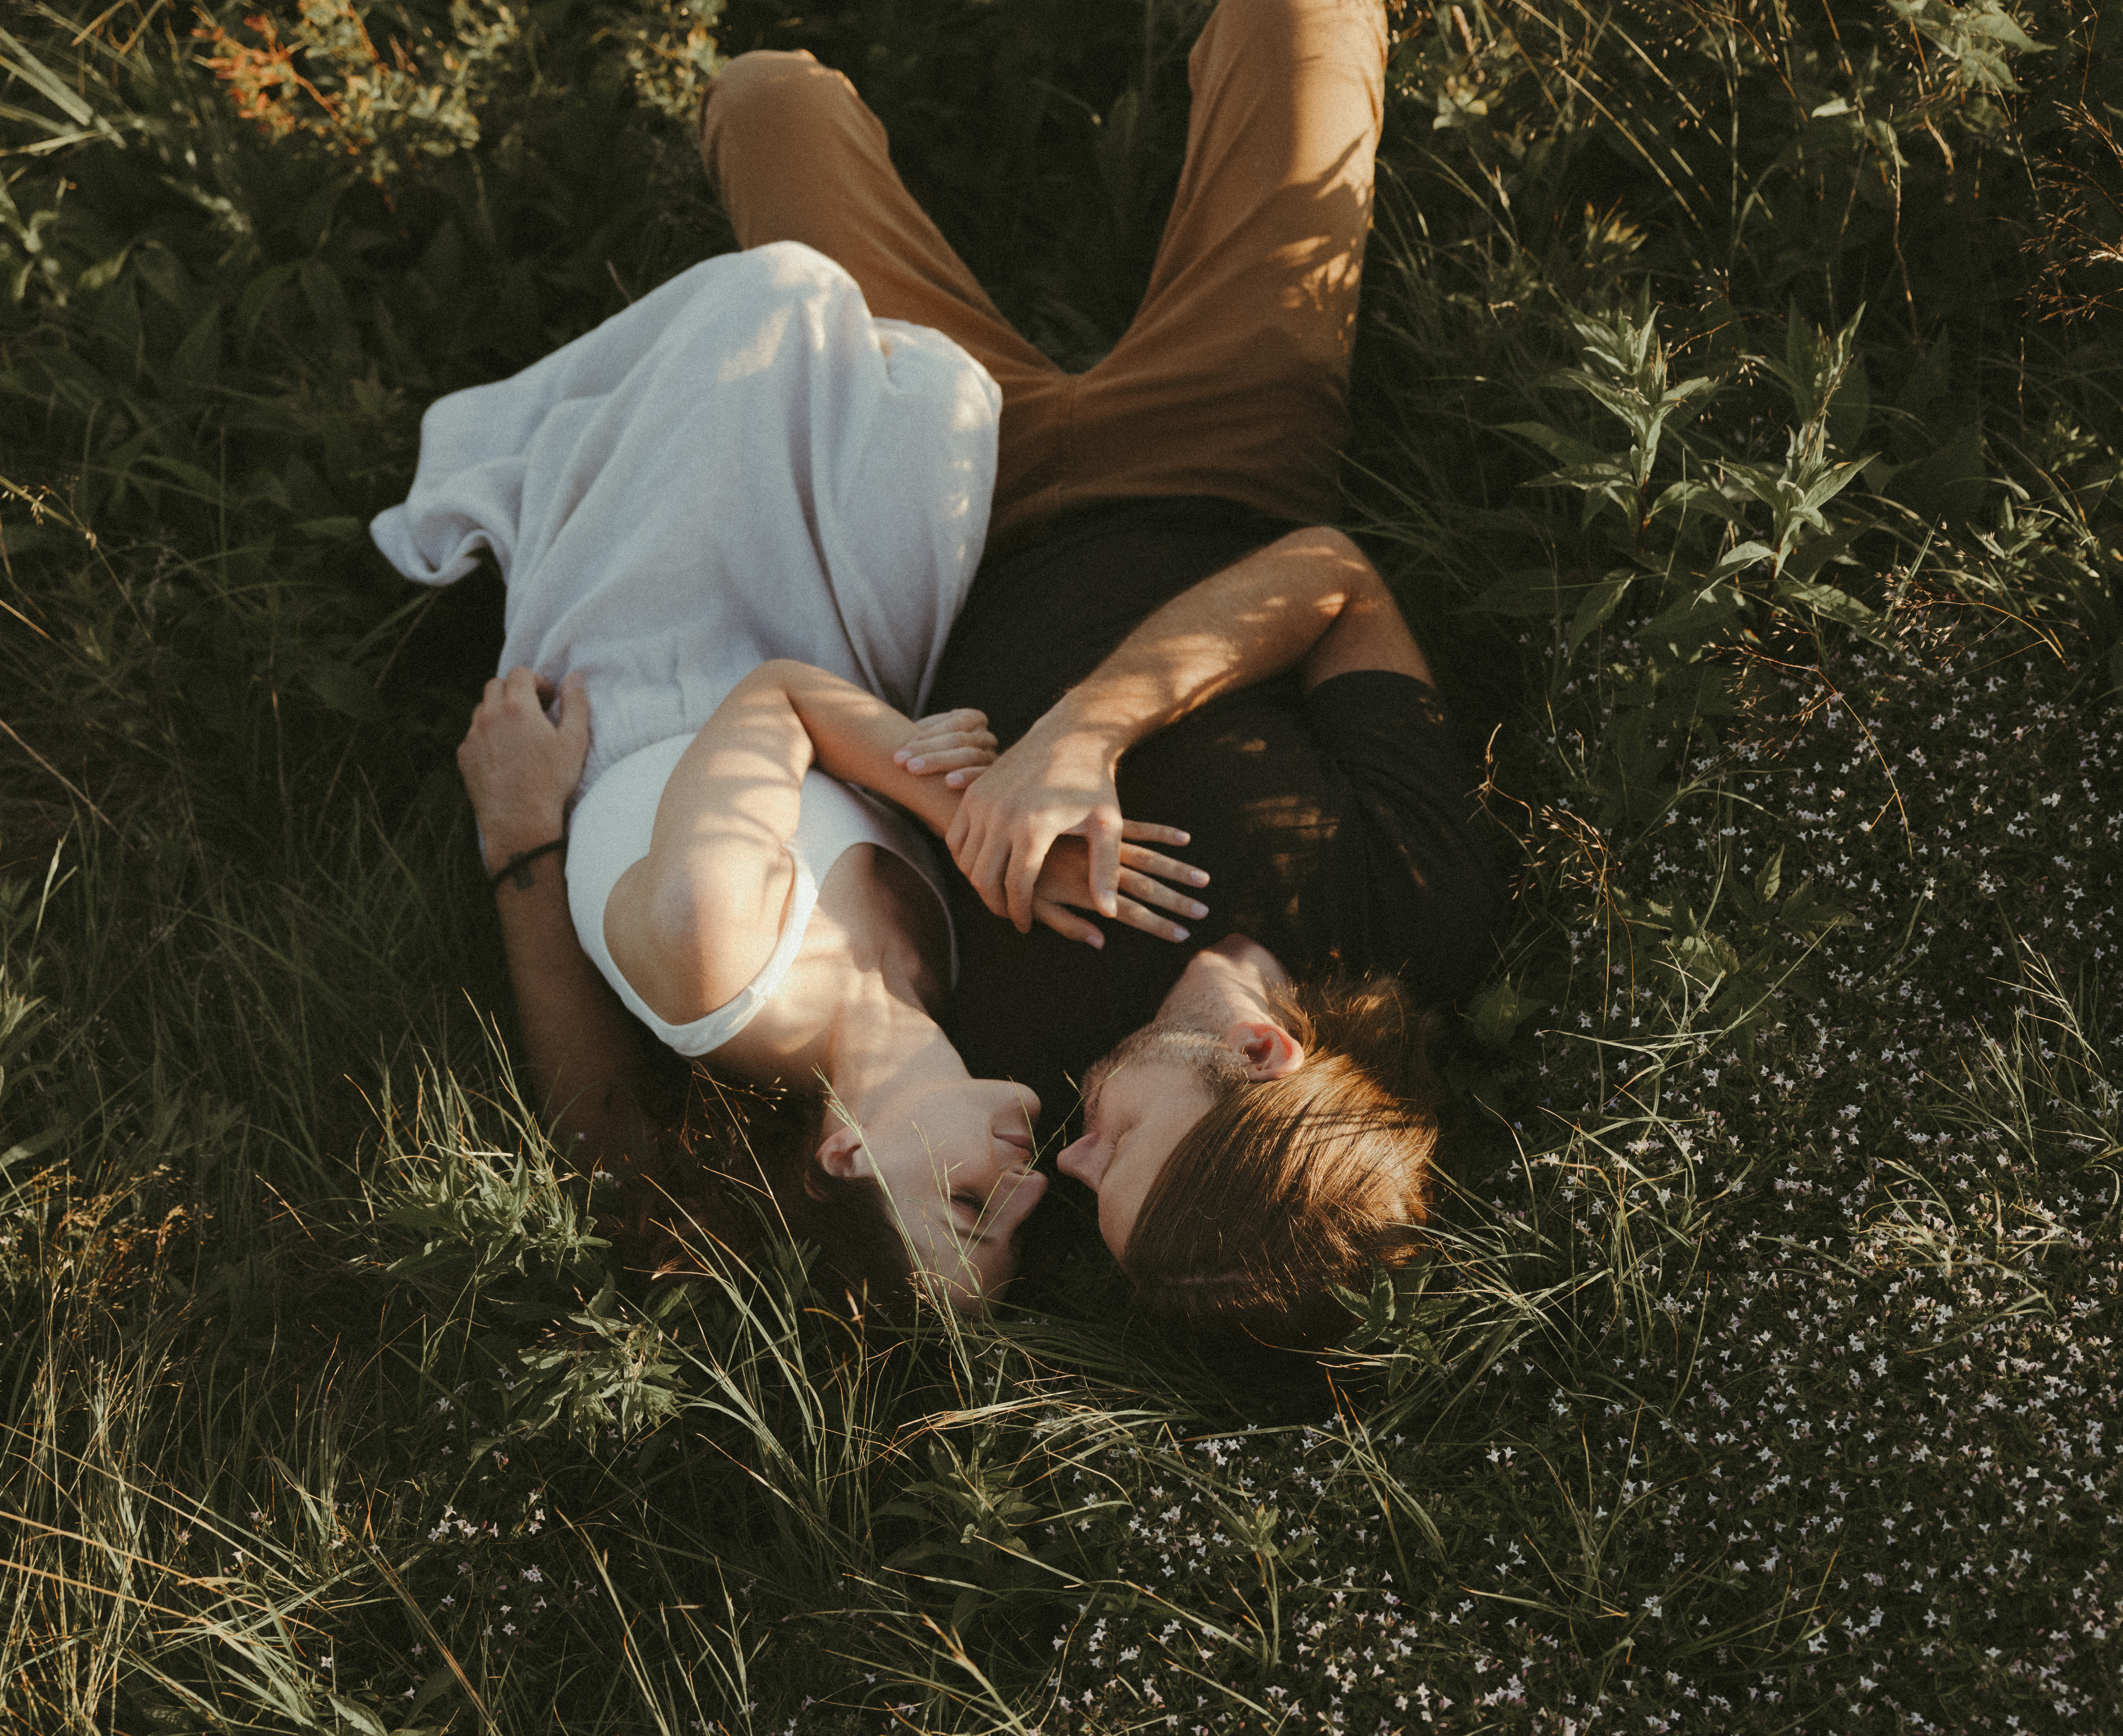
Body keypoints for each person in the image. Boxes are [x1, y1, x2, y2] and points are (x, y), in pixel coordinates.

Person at [698, 0, 1506, 1347]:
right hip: (1225, 455)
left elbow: (667, 1142)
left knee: (765, 99)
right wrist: (1085, 730)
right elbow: (1332, 577)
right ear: (1262, 1053)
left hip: (943, 515)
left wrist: (524, 843)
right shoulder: (1413, 904)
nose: (1065, 1162)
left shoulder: (1018, 1065)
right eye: (1116, 1149)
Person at [371, 243, 1210, 1310]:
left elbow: (776, 698)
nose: (1032, 1190)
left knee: (787, 290)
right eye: (1019, 1233)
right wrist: (959, 762)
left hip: (655, 662)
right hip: (834, 669)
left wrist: (965, 820)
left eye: (968, 1211)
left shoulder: (717, 957)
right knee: (948, 399)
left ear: (846, 1161)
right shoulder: (952, 989)